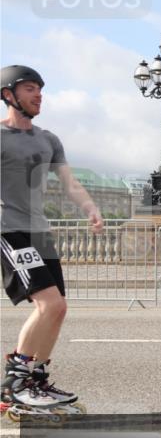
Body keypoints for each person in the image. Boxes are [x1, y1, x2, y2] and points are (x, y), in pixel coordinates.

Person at [0, 65, 103, 413]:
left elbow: (69, 182)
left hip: (40, 231)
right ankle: (15, 383)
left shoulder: (49, 140)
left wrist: (90, 208)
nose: (38, 95)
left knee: (59, 309)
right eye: (30, 89)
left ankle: (36, 379)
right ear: (8, 95)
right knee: (50, 305)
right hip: (9, 229)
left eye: (40, 89)